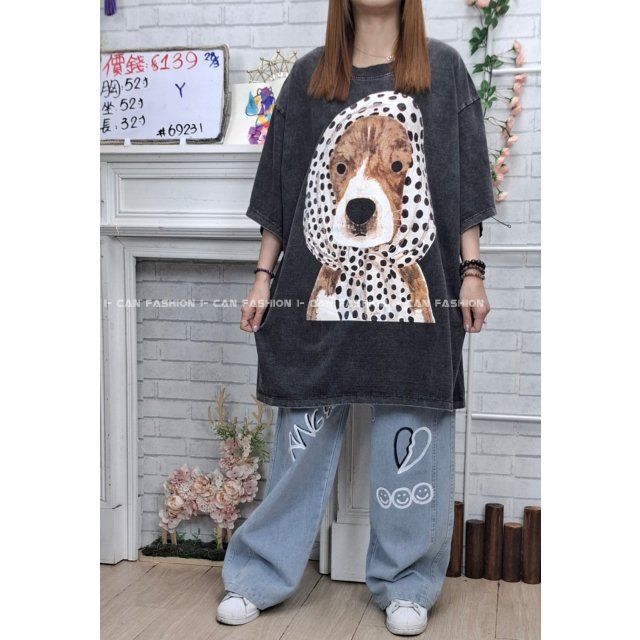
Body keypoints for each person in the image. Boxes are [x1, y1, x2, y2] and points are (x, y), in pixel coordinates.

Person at [216, 0, 494, 635]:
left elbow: (465, 181)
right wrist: (262, 276)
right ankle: (259, 573)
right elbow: (282, 189)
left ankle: (407, 582)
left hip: (416, 294)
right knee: (301, 435)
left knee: (412, 436)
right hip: (324, 290)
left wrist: (472, 271)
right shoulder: (311, 79)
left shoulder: (443, 71)